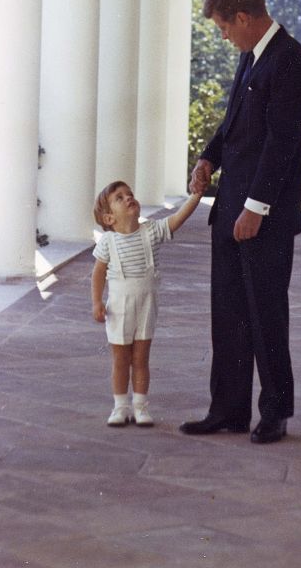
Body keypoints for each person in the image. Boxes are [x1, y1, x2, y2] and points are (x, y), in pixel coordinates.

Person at [180, 0, 301, 444]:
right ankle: (228, 410)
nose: (223, 37)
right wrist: (208, 158)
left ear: (243, 17)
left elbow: (282, 144)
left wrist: (256, 207)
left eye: (224, 28)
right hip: (230, 208)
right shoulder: (251, 55)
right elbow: (233, 122)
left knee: (266, 315)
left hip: (264, 216)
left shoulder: (290, 59)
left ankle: (275, 412)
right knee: (229, 313)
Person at [92, 181, 202, 427]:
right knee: (121, 360)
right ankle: (120, 406)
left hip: (146, 307)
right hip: (119, 309)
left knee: (141, 359)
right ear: (109, 218)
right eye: (119, 198)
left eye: (129, 194)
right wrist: (96, 301)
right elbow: (98, 273)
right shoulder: (108, 242)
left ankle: (140, 406)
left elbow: (177, 219)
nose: (128, 197)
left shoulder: (151, 231)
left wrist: (195, 196)